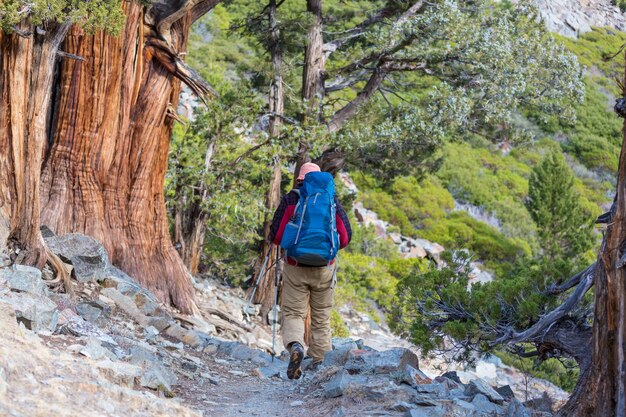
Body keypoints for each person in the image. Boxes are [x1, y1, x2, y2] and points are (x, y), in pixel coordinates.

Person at [268, 162, 352, 379]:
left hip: (296, 266)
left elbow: (276, 235)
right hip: (324, 269)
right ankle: (321, 361)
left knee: (294, 313)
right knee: (321, 317)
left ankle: (296, 345)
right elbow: (345, 238)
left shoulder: (291, 199)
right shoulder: (332, 201)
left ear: (299, 179)